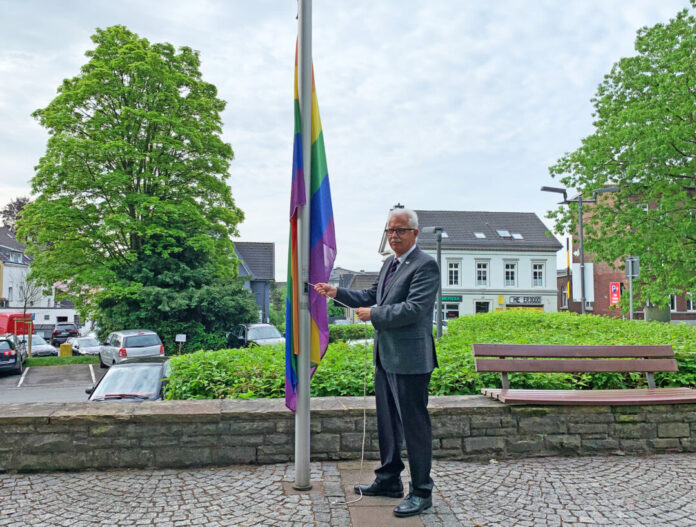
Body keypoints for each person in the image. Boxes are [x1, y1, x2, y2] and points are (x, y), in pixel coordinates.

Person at [314, 208, 439, 518]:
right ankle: (388, 479)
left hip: (411, 361)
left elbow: (414, 309)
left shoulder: (426, 265)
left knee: (414, 427)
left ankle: (422, 491)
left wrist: (376, 315)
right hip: (385, 358)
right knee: (387, 424)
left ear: (414, 233)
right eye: (389, 231)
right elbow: (373, 294)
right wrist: (337, 292)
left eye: (400, 230)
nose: (393, 235)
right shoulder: (389, 264)